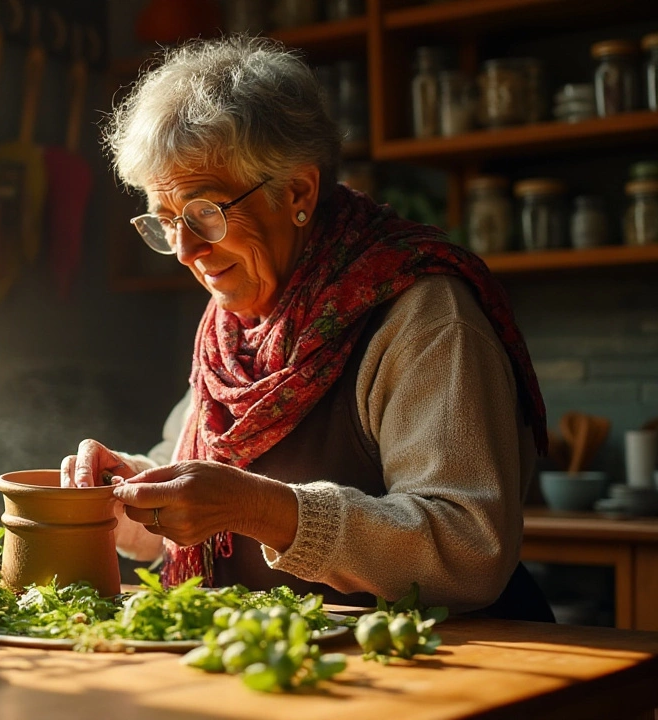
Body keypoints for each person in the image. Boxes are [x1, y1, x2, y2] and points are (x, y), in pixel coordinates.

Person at [61, 36, 552, 620]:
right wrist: (127, 492)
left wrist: (263, 509)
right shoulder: (232, 328)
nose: (186, 251)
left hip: (429, 677)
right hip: (281, 676)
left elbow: (470, 547)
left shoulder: (421, 314)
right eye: (166, 222)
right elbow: (196, 522)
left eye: (205, 214)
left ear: (297, 191)